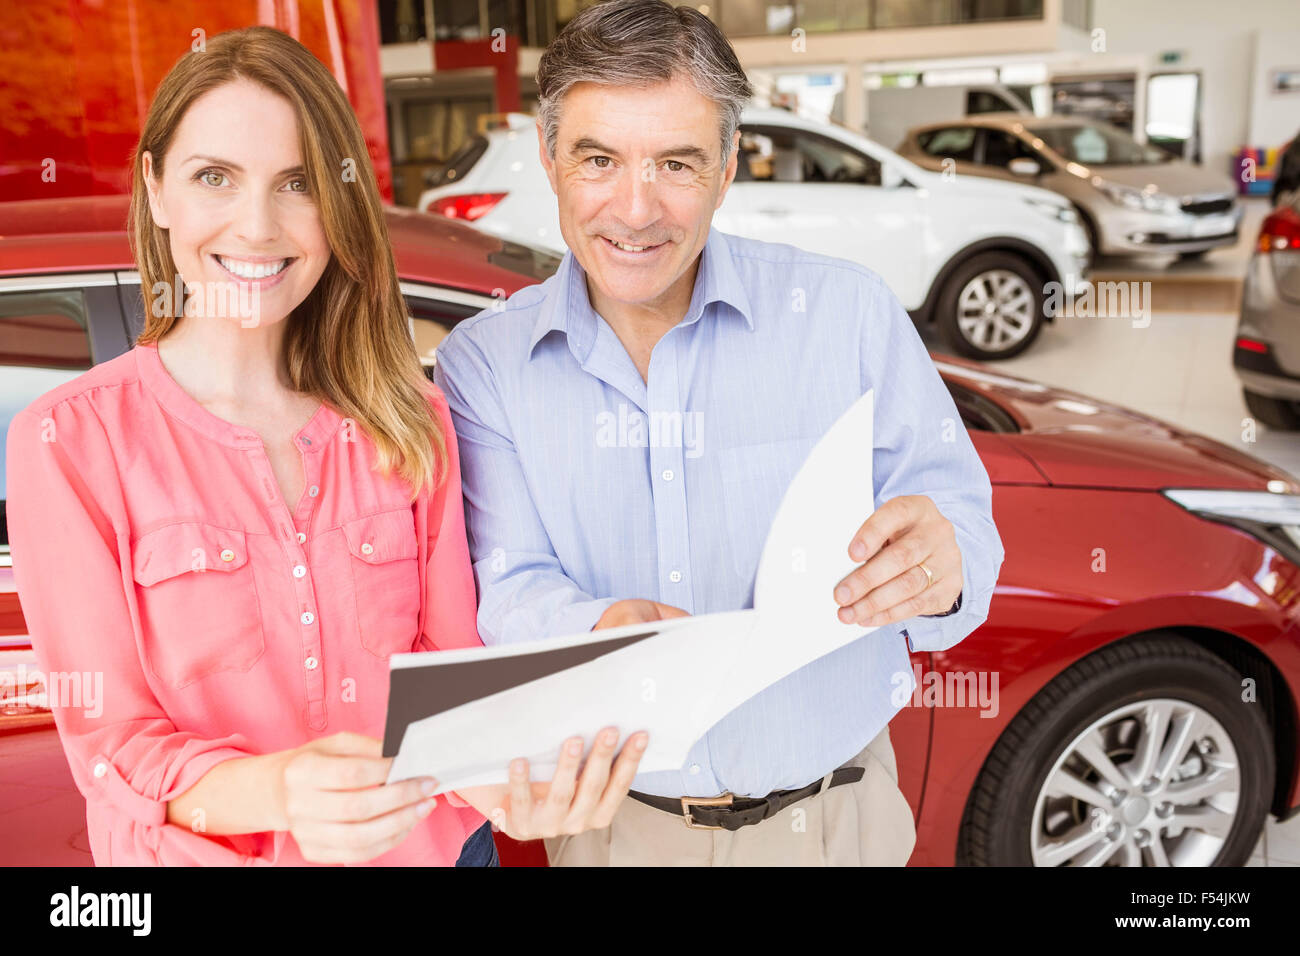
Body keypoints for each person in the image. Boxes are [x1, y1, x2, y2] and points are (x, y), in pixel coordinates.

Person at [5, 25, 643, 867]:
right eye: (214, 178)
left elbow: (448, 670)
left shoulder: (409, 414)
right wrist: (279, 791)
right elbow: (113, 744)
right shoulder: (67, 440)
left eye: (297, 183)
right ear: (156, 189)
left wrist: (514, 792)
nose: (258, 225)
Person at [434, 0, 1005, 866]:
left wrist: (944, 564)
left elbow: (965, 529)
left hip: (836, 822)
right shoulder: (484, 365)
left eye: (677, 162)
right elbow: (505, 583)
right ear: (550, 160)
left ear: (730, 165)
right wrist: (596, 629)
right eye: (598, 159)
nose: (636, 208)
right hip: (615, 834)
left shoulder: (846, 314)